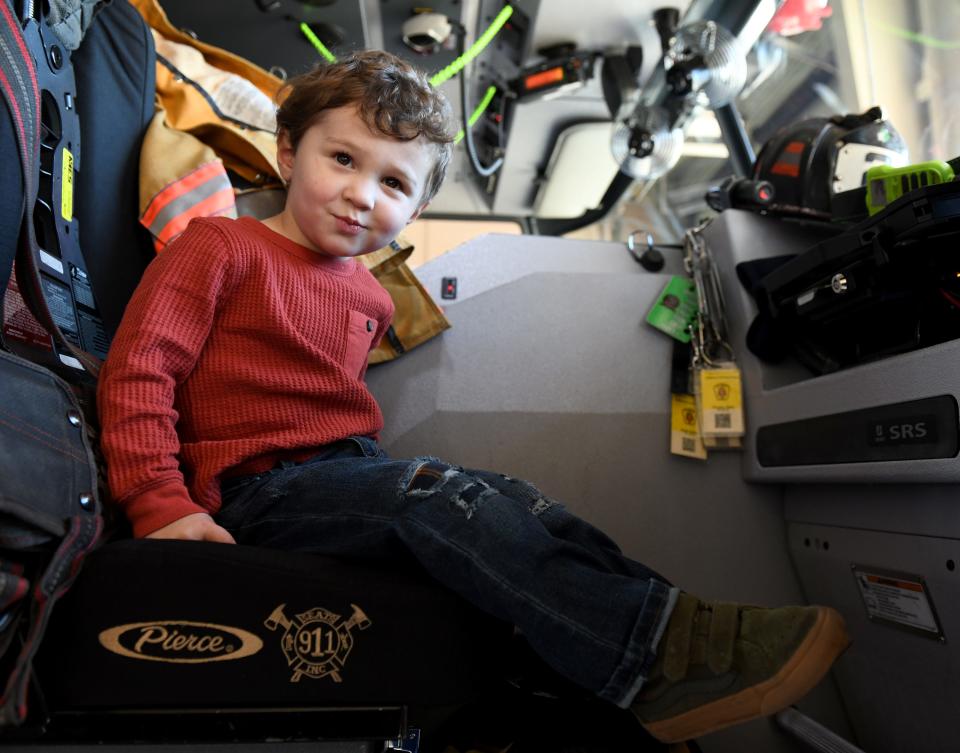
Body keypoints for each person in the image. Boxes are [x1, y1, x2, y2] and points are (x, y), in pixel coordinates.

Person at [97, 49, 849, 744]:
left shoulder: (373, 296)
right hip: (256, 488)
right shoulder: (220, 246)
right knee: (436, 497)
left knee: (522, 501)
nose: (362, 194)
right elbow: (140, 369)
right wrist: (161, 500)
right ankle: (651, 659)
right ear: (290, 153)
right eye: (342, 160)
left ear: (415, 210)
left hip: (340, 469)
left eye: (392, 184)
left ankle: (687, 640)